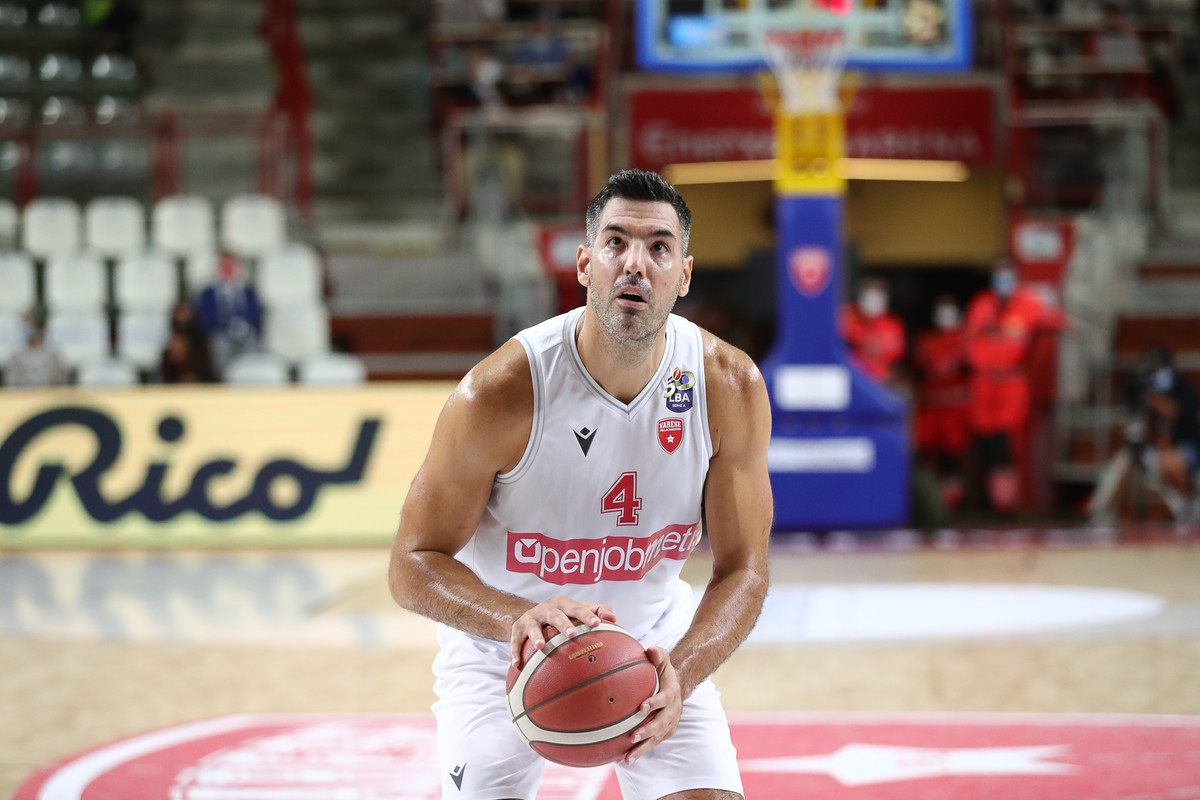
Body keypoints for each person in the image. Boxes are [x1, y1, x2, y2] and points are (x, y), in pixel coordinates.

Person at [388, 169, 773, 800]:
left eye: (659, 248)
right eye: (616, 242)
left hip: (651, 649)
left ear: (684, 275)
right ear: (585, 264)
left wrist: (680, 671)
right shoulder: (499, 393)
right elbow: (411, 563)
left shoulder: (727, 387)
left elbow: (745, 570)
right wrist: (517, 618)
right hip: (503, 651)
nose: (636, 264)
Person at [964, 260, 1062, 514]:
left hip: (1013, 380)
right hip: (984, 380)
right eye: (999, 276)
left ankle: (1006, 502)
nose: (1003, 282)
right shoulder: (981, 304)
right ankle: (976, 500)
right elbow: (970, 340)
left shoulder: (1029, 304)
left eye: (1007, 277)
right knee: (979, 439)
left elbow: (1055, 320)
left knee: (1010, 441)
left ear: (1017, 279)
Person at [1118, 346, 1200, 521]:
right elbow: (1152, 430)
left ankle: (1188, 505)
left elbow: (1175, 411)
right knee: (1130, 458)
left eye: (1159, 369)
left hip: (1190, 446)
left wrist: (1150, 396)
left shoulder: (1182, 388)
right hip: (1162, 448)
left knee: (1170, 463)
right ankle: (1100, 511)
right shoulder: (1151, 392)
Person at [912, 295, 969, 510]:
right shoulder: (926, 341)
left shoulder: (963, 340)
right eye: (941, 311)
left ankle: (952, 504)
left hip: (955, 408)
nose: (945, 316)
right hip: (931, 408)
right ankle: (929, 500)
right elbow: (917, 371)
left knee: (952, 456)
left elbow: (971, 370)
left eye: (949, 311)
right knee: (926, 454)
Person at [195, 252, 263, 381]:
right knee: (219, 345)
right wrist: (227, 325)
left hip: (245, 332)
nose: (228, 270)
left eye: (230, 266)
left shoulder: (247, 291)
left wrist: (243, 324)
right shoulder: (208, 293)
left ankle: (249, 379)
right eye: (224, 266)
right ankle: (222, 379)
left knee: (252, 342)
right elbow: (205, 318)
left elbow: (256, 312)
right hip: (220, 333)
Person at [839, 277, 906, 385]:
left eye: (877, 298)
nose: (872, 303)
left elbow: (895, 361)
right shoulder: (847, 316)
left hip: (879, 381)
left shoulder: (892, 326)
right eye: (868, 297)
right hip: (849, 377)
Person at [4, 311, 68, 387]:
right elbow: (11, 384)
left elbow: (61, 383)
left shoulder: (53, 357)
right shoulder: (15, 358)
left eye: (29, 324)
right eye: (23, 325)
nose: (25, 328)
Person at [159, 301, 214, 383]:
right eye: (179, 314)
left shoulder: (200, 343)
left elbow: (206, 369)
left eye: (185, 314)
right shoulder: (169, 340)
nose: (182, 318)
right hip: (173, 383)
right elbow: (165, 373)